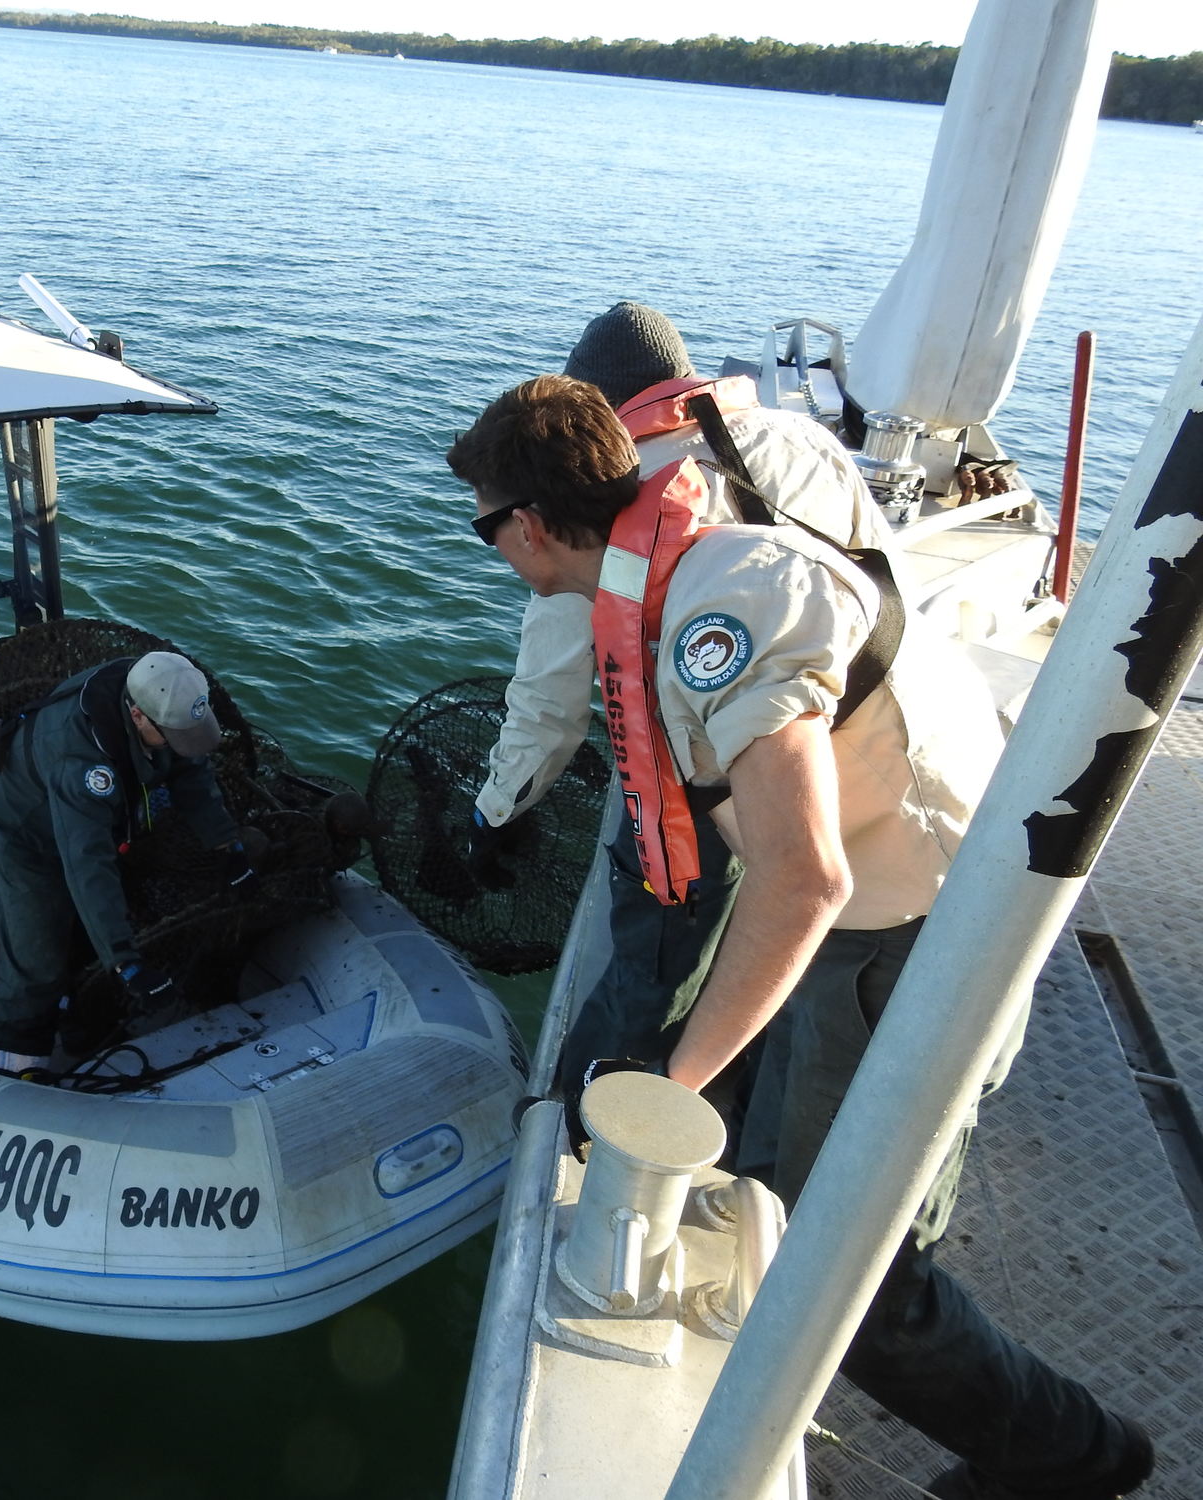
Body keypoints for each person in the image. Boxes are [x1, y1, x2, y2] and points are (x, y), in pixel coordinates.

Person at [445, 375, 1152, 1500]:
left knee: (845, 1267)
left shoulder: (717, 621)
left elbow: (802, 878)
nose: (489, 548)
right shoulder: (710, 515)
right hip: (903, 871)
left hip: (916, 932)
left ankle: (1071, 1456)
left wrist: (669, 1087)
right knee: (771, 1168)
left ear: (528, 526)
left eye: (483, 527)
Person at [472, 302, 896, 1101]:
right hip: (834, 760)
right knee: (798, 939)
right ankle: (733, 1061)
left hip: (708, 776)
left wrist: (495, 812)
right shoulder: (797, 435)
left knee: (657, 950)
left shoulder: (605, 508)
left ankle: (609, 1107)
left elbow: (549, 705)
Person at [0, 650, 253, 1079]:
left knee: (91, 932)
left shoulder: (158, 690)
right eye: (175, 734)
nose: (185, 741)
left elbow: (191, 770)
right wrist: (127, 962)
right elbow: (88, 867)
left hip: (97, 817)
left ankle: (77, 1016)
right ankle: (15, 1067)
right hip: (26, 827)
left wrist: (227, 845)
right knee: (36, 951)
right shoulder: (81, 763)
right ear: (139, 717)